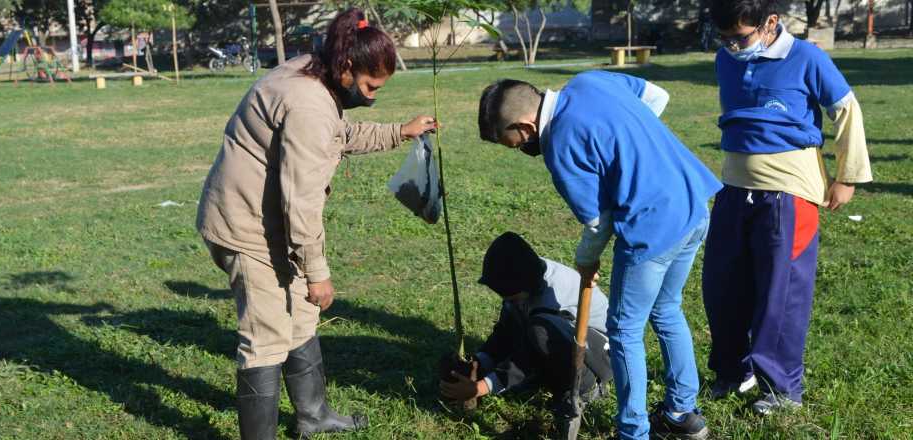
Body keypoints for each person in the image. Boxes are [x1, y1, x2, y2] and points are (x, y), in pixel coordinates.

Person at [195, 9, 438, 440]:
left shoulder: (315, 73)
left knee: (302, 316)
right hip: (246, 229)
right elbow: (301, 203)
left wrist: (399, 131)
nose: (372, 96)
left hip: (270, 223)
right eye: (369, 86)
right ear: (346, 67)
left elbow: (337, 134)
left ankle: (313, 415)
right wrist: (318, 272)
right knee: (266, 336)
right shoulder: (308, 104)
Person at [477, 72, 722, 439]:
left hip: (651, 228)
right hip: (692, 203)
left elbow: (597, 222)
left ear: (524, 127)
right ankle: (682, 413)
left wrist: (585, 261)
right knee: (667, 309)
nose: (515, 150)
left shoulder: (560, 144)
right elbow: (658, 96)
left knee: (624, 333)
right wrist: (636, 154)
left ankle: (632, 431)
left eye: (509, 143)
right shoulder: (589, 81)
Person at [704, 0, 872, 415]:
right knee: (722, 286)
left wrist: (846, 177)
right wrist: (730, 47)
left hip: (788, 193)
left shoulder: (806, 57)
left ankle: (781, 388)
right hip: (732, 188)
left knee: (781, 291)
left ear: (770, 23)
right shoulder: (725, 59)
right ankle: (733, 371)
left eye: (740, 37)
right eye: (723, 38)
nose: (731, 46)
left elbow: (846, 110)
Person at [439, 232, 612, 439]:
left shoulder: (551, 295)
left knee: (539, 331)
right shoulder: (521, 278)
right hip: (560, 337)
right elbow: (506, 331)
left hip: (598, 357)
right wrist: (480, 362)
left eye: (510, 297)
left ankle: (587, 389)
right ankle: (538, 375)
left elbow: (525, 356)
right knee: (522, 321)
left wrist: (481, 388)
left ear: (527, 285)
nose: (507, 300)